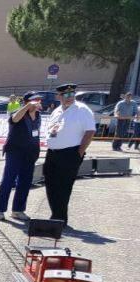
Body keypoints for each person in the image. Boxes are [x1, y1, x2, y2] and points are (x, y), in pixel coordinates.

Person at [43, 83, 95, 225]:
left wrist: (79, 153)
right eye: (66, 95)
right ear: (58, 96)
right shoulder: (57, 110)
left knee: (63, 186)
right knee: (50, 183)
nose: (69, 97)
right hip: (53, 153)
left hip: (70, 153)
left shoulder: (82, 110)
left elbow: (90, 131)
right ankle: (56, 214)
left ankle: (59, 219)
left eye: (72, 94)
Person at [0, 92, 43, 221]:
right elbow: (14, 119)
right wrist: (27, 107)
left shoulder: (38, 115)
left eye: (39, 100)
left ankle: (18, 210)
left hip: (30, 153)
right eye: (35, 100)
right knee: (8, 180)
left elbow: (36, 133)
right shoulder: (19, 112)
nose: (38, 102)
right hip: (15, 151)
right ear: (27, 102)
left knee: (25, 182)